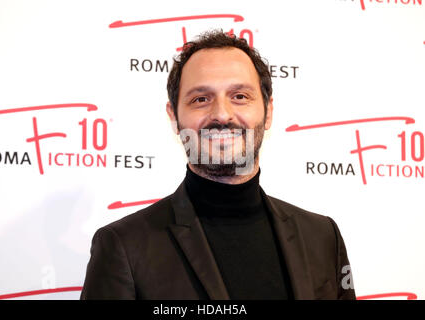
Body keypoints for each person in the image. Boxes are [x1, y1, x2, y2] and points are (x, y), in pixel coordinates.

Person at [80, 30, 356, 300]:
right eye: (201, 99)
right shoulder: (124, 246)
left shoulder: (322, 237)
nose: (222, 114)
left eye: (240, 96)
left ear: (268, 112)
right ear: (174, 118)